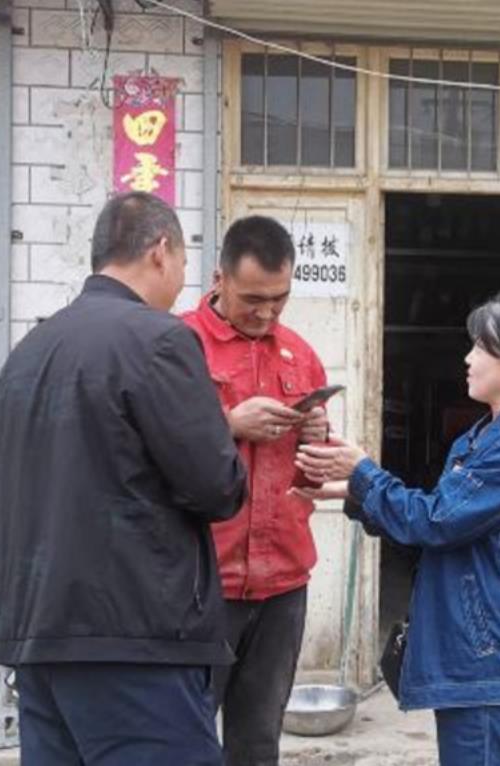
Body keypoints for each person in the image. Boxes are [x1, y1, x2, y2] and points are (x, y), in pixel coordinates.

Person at [0, 192, 247, 766]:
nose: (182, 281)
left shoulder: (29, 352)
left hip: (39, 642)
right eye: (183, 263)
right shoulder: (160, 340)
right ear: (160, 251)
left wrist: (29, 607)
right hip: (136, 644)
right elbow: (215, 486)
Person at [294, 291, 500, 765]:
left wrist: (364, 474)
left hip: (499, 666)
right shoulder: (487, 436)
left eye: (480, 348)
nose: (468, 359)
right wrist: (353, 492)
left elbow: (436, 522)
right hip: (479, 664)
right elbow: (442, 520)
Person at [181, 215, 329, 766]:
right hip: (202, 582)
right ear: (219, 278)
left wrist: (317, 437)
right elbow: (148, 450)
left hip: (283, 581)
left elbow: (310, 479)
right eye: (252, 299)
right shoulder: (179, 345)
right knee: (184, 736)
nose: (266, 312)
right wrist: (227, 424)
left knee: (259, 740)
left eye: (279, 299)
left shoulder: (299, 354)